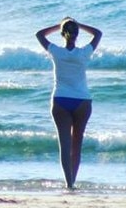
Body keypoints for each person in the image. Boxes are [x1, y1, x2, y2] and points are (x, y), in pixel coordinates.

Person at [35, 17, 102, 189]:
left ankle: (69, 183)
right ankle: (72, 181)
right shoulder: (84, 52)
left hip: (60, 100)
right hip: (82, 101)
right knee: (76, 145)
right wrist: (79, 24)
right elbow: (98, 33)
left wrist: (60, 25)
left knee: (64, 146)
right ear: (77, 34)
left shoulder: (56, 51)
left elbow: (40, 34)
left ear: (62, 34)